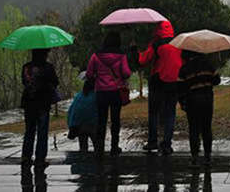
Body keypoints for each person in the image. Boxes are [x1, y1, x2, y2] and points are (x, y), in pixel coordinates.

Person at [138, 20, 183, 155]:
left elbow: (143, 61)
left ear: (158, 30)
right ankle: (167, 144)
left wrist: (136, 51)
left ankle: (153, 141)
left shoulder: (156, 44)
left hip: (158, 82)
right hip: (174, 82)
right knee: (170, 113)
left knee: (154, 112)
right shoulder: (178, 44)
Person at [88, 31, 132, 157]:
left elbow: (89, 74)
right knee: (115, 120)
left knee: (101, 121)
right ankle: (114, 147)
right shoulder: (121, 56)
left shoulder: (96, 55)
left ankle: (99, 148)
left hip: (101, 92)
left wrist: (98, 75)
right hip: (115, 92)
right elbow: (126, 73)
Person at [178, 50, 221, 166]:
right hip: (207, 100)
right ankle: (207, 157)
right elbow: (217, 81)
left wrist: (182, 103)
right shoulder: (208, 65)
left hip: (192, 101)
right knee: (206, 128)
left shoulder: (185, 68)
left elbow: (180, 88)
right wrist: (216, 69)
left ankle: (194, 158)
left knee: (194, 129)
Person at [20, 48, 59, 167]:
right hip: (43, 102)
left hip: (29, 103)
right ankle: (40, 158)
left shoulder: (26, 67)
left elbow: (24, 82)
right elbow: (55, 82)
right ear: (44, 54)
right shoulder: (48, 67)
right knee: (42, 131)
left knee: (29, 130)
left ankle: (26, 156)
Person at [67, 76, 98, 152]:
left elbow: (70, 111)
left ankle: (82, 160)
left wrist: (71, 125)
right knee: (97, 145)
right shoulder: (96, 96)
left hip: (79, 126)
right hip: (92, 125)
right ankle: (98, 160)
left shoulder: (78, 96)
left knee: (83, 147)